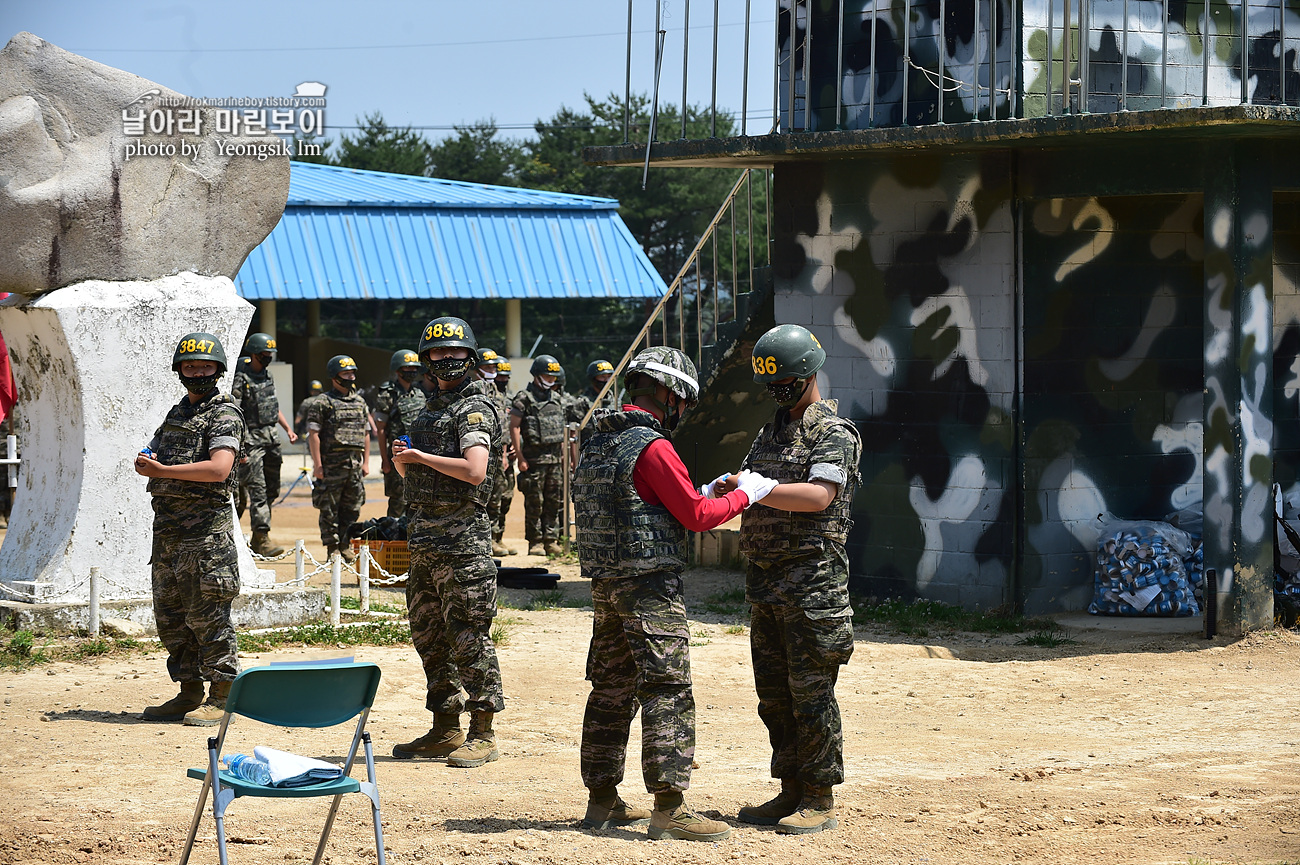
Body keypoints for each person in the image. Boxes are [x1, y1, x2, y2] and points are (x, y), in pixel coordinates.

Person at [573, 346, 777, 841]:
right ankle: (670, 806)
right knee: (667, 689)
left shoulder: (598, 443)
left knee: (611, 689)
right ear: (667, 393)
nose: (682, 410)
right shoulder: (653, 446)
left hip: (607, 586)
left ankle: (601, 800)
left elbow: (646, 502)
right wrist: (747, 493)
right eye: (682, 400)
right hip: (650, 589)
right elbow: (695, 517)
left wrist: (700, 490)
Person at [718, 324, 863, 835]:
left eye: (784, 380)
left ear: (808, 373)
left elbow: (820, 496)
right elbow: (753, 484)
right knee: (774, 695)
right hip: (767, 583)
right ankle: (791, 788)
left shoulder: (833, 433)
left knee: (811, 692)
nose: (777, 391)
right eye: (770, 383)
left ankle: (820, 797)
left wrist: (761, 488)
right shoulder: (770, 431)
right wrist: (731, 487)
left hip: (812, 584)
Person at [391, 317, 505, 769]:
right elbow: (417, 475)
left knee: (468, 635)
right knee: (430, 636)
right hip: (424, 541)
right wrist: (405, 462)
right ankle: (444, 727)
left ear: (470, 356)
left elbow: (474, 470)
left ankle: (482, 730)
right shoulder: (428, 410)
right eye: (438, 354)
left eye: (455, 353)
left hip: (462, 543)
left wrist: (419, 456)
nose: (447, 360)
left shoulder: (474, 408)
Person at [137, 332, 245, 727]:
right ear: (179, 370)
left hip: (205, 538)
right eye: (190, 365)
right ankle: (188, 691)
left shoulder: (224, 413)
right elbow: (154, 450)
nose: (198, 372)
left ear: (218, 370)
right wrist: (148, 458)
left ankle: (222, 695)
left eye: (205, 366)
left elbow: (219, 468)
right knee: (172, 617)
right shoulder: (177, 413)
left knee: (208, 617)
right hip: (167, 532)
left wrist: (163, 471)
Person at [230, 333, 297, 557]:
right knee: (257, 491)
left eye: (270, 354)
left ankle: (249, 533)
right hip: (252, 442)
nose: (268, 358)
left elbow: (273, 406)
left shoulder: (267, 376)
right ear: (254, 353)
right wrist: (240, 445)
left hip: (271, 440)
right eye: (264, 354)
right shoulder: (242, 378)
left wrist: (287, 429)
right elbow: (235, 412)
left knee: (271, 489)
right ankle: (261, 538)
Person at [306, 355, 371, 562]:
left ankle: (345, 545)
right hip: (332, 465)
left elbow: (366, 433)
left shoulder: (360, 402)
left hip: (354, 465)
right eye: (346, 373)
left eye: (353, 372)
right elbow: (313, 434)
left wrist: (366, 462)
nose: (351, 376)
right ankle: (332, 548)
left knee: (352, 507)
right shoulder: (323, 402)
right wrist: (317, 464)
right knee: (329, 508)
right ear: (335, 376)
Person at [510, 354, 566, 557]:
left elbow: (564, 431)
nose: (551, 381)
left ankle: (551, 540)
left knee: (554, 501)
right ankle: (535, 542)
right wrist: (520, 457)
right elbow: (514, 427)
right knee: (535, 502)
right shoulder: (524, 398)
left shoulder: (557, 399)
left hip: (554, 460)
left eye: (553, 377)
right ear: (536, 375)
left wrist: (563, 458)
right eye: (547, 376)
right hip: (533, 460)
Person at [375, 349, 429, 519]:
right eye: (407, 368)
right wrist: (385, 460)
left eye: (414, 369)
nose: (412, 372)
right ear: (398, 370)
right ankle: (394, 539)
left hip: (418, 455)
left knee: (417, 500)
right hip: (397, 455)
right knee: (398, 501)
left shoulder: (420, 393)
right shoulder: (388, 395)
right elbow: (381, 429)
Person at [475, 349, 515, 556]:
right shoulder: (475, 390)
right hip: (484, 452)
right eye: (488, 367)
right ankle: (487, 540)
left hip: (500, 452)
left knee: (501, 496)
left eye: (494, 367)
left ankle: (497, 537)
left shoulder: (496, 392)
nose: (493, 371)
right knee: (487, 497)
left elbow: (504, 425)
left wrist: (507, 451)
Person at [491, 357, 517, 550]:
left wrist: (516, 446)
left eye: (506, 376)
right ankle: (491, 538)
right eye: (500, 375)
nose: (503, 379)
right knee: (494, 497)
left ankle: (499, 537)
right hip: (496, 455)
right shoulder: (489, 396)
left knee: (507, 495)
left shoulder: (509, 398)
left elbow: (515, 425)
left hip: (510, 454)